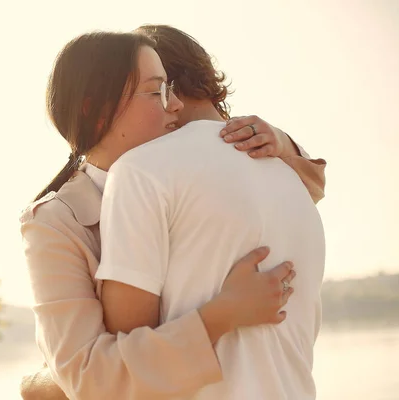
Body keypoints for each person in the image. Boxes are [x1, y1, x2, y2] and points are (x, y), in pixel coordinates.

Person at [20, 30, 326, 400]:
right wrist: (220, 316)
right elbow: (88, 378)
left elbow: (304, 186)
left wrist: (281, 141)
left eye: (171, 88)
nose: (176, 105)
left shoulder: (184, 182)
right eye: (157, 91)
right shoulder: (57, 222)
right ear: (94, 110)